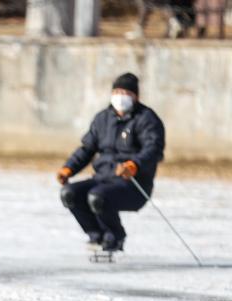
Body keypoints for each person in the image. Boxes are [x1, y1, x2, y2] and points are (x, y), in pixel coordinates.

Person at [57, 73, 165, 252]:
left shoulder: (146, 119)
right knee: (70, 193)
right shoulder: (103, 118)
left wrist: (134, 165)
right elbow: (86, 149)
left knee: (98, 197)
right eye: (116, 92)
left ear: (135, 96)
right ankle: (96, 236)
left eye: (125, 92)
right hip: (102, 178)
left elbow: (153, 149)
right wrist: (69, 168)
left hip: (132, 184)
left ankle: (114, 237)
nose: (120, 97)